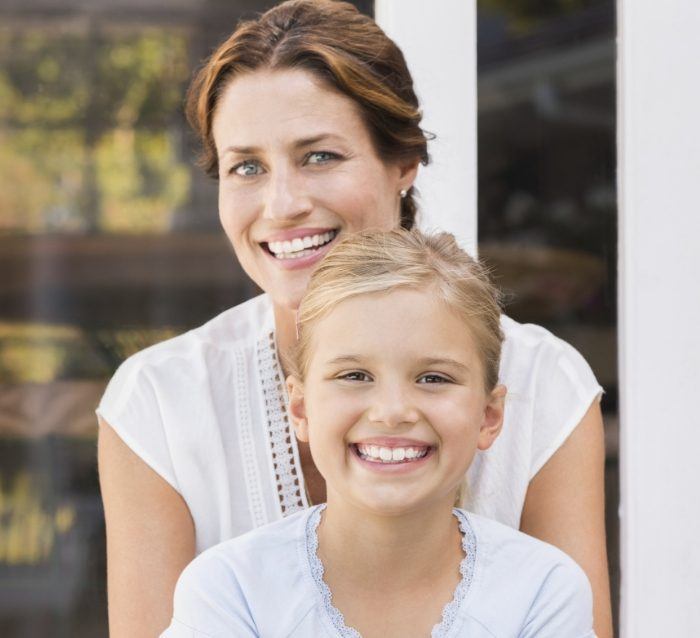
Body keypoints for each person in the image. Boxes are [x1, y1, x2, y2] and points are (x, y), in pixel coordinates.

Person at [96, 1, 612, 636]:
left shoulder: (545, 382)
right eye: (247, 167)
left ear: (403, 164)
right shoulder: (160, 403)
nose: (283, 204)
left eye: (319, 156)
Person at [160, 228, 595, 638]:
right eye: (354, 375)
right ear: (300, 407)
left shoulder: (542, 592)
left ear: (488, 416)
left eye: (433, 378)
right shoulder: (231, 591)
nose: (392, 412)